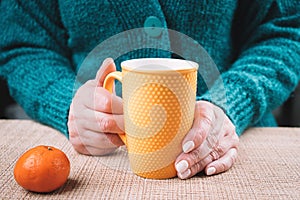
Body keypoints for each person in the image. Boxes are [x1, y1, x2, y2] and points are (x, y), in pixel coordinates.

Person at [0, 1, 299, 180]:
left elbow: (285, 31)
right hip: (93, 164)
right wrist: (67, 101)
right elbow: (24, 45)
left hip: (231, 154)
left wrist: (230, 101)